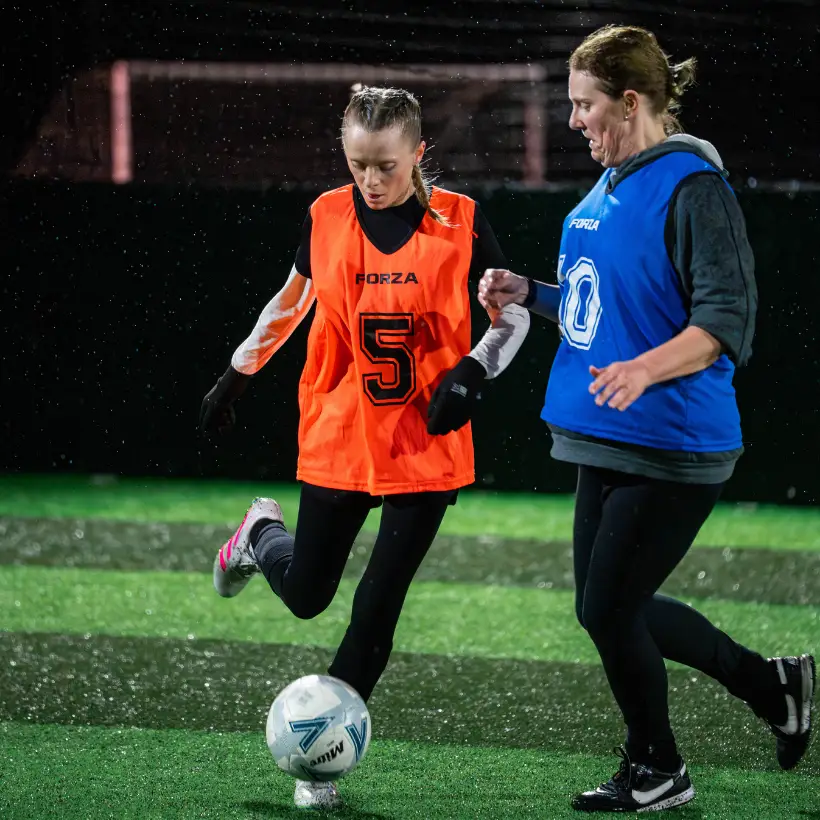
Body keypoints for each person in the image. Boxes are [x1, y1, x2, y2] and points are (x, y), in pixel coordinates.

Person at [479, 24, 814, 814]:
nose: (573, 121)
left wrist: (643, 369)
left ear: (631, 102)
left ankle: (659, 767)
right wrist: (531, 294)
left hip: (673, 438)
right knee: (605, 608)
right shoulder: (613, 185)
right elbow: (604, 310)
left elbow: (725, 321)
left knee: (607, 608)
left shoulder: (694, 188)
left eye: (584, 104)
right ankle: (773, 687)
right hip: (610, 434)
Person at [199, 85, 529, 810]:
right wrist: (237, 372)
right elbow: (291, 301)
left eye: (386, 165)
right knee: (308, 596)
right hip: (341, 429)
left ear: (418, 154)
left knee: (378, 607)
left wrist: (475, 370)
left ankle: (319, 765)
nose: (371, 181)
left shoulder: (462, 221)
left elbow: (513, 317)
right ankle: (259, 534)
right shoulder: (326, 215)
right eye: (358, 165)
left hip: (424, 443)